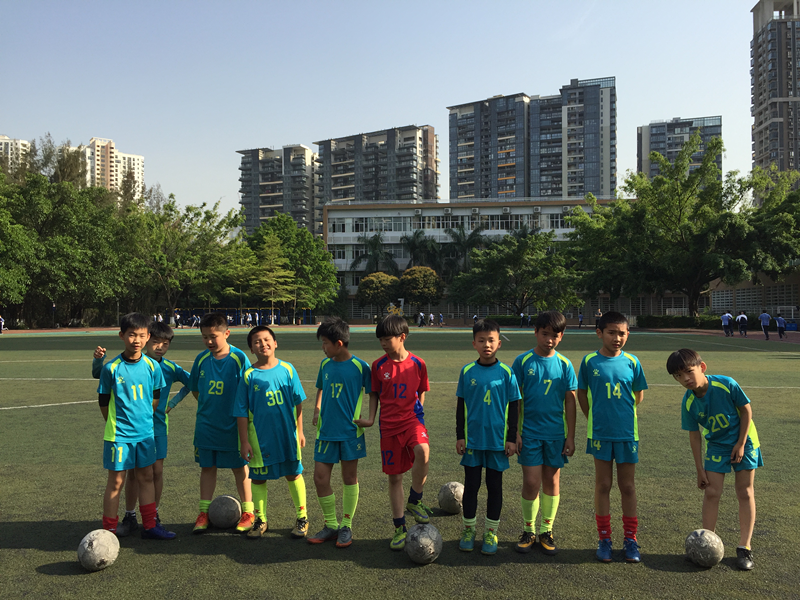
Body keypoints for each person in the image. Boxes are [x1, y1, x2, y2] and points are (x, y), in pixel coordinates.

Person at [666, 348, 762, 571]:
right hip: (717, 445)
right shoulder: (688, 402)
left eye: (688, 371)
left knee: (744, 491)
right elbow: (694, 435)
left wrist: (740, 444)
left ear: (702, 367)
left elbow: (746, 411)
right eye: (678, 376)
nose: (685, 379)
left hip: (744, 440)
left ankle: (744, 547)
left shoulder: (726, 384)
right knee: (711, 492)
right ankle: (705, 544)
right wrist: (699, 469)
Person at [93, 321, 190, 535]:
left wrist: (146, 419)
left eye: (141, 335)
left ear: (146, 337)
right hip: (119, 435)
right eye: (132, 335)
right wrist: (115, 424)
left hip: (146, 433)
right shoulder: (112, 368)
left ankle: (151, 525)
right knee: (117, 481)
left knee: (147, 476)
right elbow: (103, 401)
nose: (136, 340)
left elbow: (155, 399)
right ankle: (109, 530)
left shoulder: (153, 367)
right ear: (122, 335)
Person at [354, 315, 431, 550]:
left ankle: (415, 499)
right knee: (395, 477)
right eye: (380, 340)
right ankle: (399, 528)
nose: (383, 344)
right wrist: (370, 419)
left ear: (402, 337)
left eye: (387, 339)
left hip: (412, 421)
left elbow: (421, 390)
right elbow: (374, 395)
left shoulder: (418, 363)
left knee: (423, 451)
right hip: (388, 426)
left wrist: (418, 412)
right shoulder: (378, 366)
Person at [577, 311, 648, 563]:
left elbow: (638, 395)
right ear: (600, 333)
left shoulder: (632, 362)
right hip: (600, 433)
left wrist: (623, 415)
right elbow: (582, 394)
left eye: (622, 333)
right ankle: (604, 539)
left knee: (627, 486)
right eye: (611, 333)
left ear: (628, 334)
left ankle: (630, 539)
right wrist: (593, 417)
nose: (617, 338)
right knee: (603, 485)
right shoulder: (589, 362)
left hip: (627, 433)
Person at [511, 311, 577, 555]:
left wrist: (570, 436)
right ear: (536, 332)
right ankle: (528, 530)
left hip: (555, 435)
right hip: (529, 433)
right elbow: (515, 400)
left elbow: (570, 401)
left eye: (555, 335)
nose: (549, 340)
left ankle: (546, 530)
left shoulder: (565, 364)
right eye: (545, 334)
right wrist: (514, 432)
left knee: (552, 481)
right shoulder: (523, 361)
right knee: (531, 482)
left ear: (561, 336)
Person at [235, 326, 309, 540]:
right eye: (257, 341)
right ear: (251, 349)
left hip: (287, 436)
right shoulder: (248, 375)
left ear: (275, 343)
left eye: (267, 340)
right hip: (259, 439)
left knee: (293, 473)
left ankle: (302, 517)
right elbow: (241, 411)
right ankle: (261, 519)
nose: (263, 344)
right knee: (258, 478)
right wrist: (244, 441)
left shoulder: (287, 369)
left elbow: (297, 402)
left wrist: (300, 431)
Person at [182, 313, 254, 533]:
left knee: (239, 467)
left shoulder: (239, 358)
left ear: (227, 333)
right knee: (207, 467)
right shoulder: (201, 359)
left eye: (213, 336)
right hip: (206, 426)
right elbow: (195, 388)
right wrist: (208, 407)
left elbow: (248, 388)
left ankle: (248, 512)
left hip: (233, 426)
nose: (209, 341)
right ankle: (204, 513)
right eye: (205, 337)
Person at [456, 319, 520, 555]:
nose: (486, 345)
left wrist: (511, 438)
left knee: (494, 487)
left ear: (499, 343)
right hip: (473, 441)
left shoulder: (506, 373)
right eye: (481, 340)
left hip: (497, 442)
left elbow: (514, 407)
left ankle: (491, 532)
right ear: (474, 343)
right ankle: (469, 530)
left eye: (491, 340)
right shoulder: (467, 372)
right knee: (471, 486)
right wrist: (460, 436)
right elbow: (460, 407)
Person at [307, 317, 371, 548]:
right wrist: (317, 409)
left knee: (349, 478)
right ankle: (331, 525)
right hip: (325, 432)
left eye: (325, 343)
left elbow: (374, 393)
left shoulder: (361, 367)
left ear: (339, 343)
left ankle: (346, 525)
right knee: (320, 478)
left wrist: (370, 418)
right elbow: (321, 389)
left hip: (350, 433)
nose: (323, 347)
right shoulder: (325, 365)